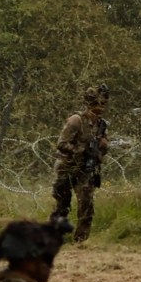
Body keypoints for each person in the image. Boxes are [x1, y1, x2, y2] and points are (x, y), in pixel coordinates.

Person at [50, 84, 111, 243]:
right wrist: (82, 150)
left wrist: (103, 148)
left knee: (86, 204)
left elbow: (102, 147)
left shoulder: (101, 124)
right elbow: (62, 144)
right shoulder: (76, 120)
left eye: (104, 103)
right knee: (62, 205)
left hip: (86, 168)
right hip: (67, 167)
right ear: (91, 102)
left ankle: (81, 240)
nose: (102, 106)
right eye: (100, 102)